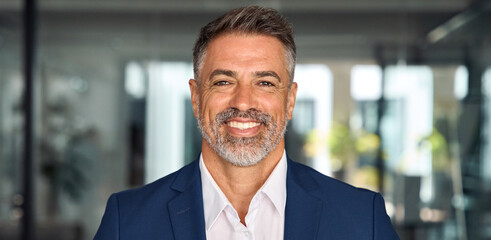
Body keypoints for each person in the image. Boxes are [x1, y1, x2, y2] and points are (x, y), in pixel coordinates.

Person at [94, 6, 399, 240]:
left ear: (290, 100)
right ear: (197, 97)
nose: (243, 102)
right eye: (224, 81)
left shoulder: (362, 220)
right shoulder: (128, 221)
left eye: (265, 83)